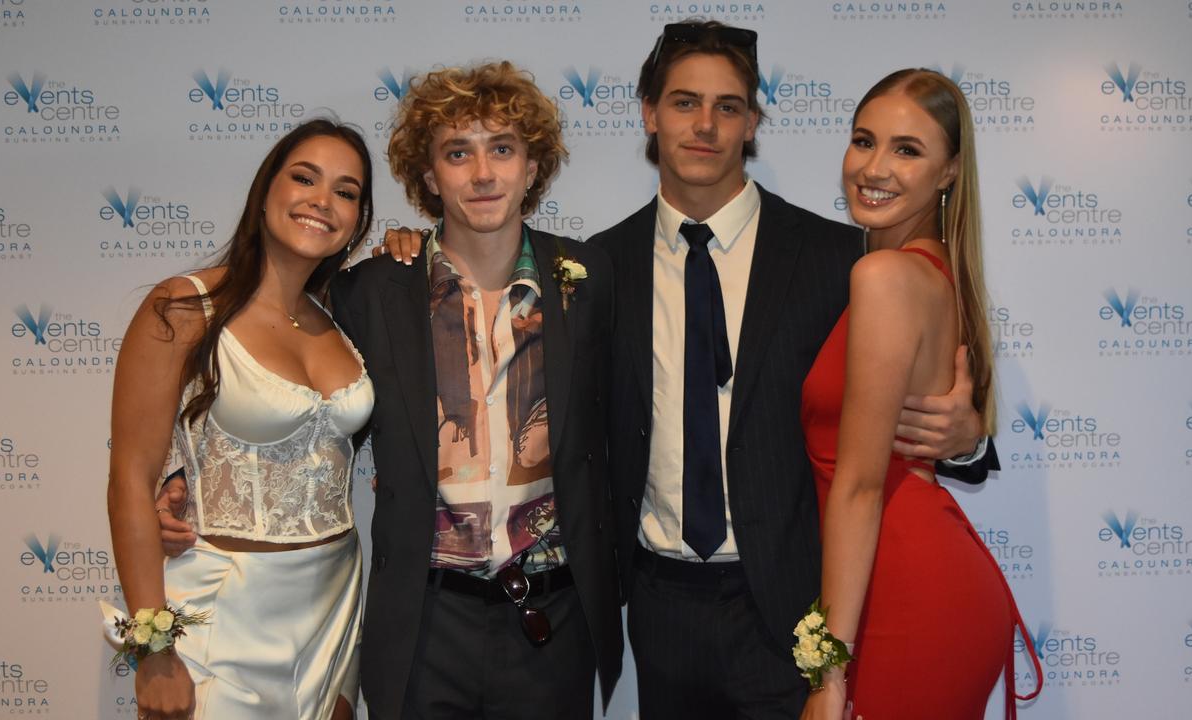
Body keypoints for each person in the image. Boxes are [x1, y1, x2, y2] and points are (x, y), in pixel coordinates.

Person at [376, 22, 995, 719]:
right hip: (658, 605)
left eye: (727, 106)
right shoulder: (592, 270)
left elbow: (919, 396)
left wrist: (967, 437)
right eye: (682, 102)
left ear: (753, 122)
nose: (704, 125)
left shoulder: (838, 258)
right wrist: (408, 247)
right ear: (648, 112)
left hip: (793, 602)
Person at [333, 62, 620, 719]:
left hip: (550, 621)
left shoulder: (587, 278)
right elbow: (298, 402)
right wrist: (183, 476)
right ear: (430, 176)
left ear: (532, 166)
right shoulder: (374, 292)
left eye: (502, 149)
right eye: (458, 153)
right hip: (424, 623)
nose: (482, 174)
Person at [107, 118, 376, 720]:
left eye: (346, 191)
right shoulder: (182, 308)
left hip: (334, 607)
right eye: (304, 178)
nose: (321, 202)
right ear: (265, 191)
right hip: (224, 615)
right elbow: (131, 475)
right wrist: (152, 650)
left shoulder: (340, 316)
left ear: (358, 219)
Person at [798, 69, 1042, 720]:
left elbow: (859, 486)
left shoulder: (885, 276)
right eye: (863, 140)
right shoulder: (929, 271)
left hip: (902, 593)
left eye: (907, 150)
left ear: (948, 173)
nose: (874, 167)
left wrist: (827, 672)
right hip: (896, 580)